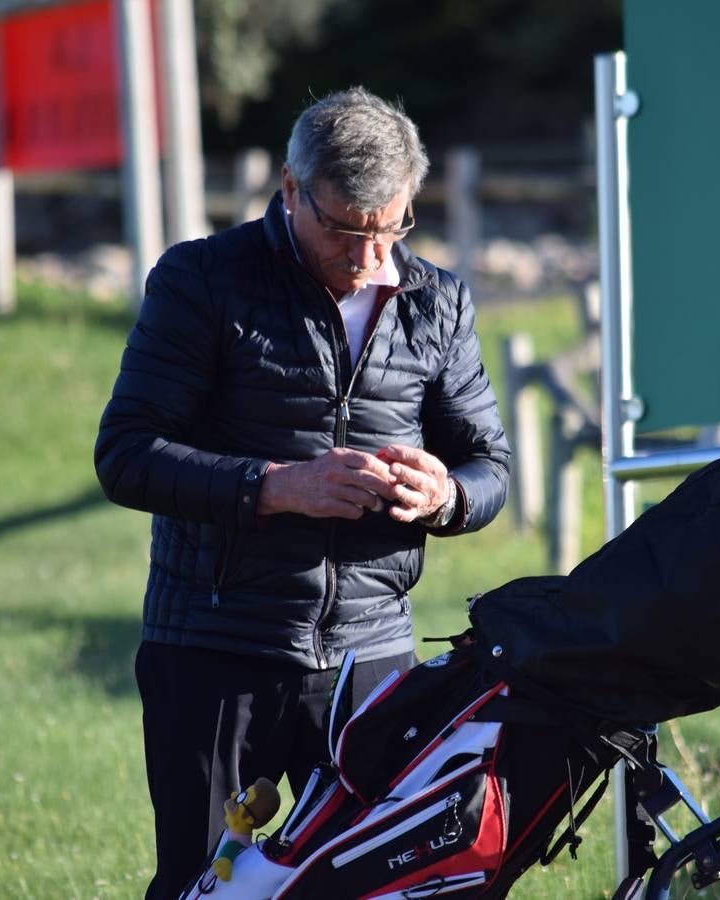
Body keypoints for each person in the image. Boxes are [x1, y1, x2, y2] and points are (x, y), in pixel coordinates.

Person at [94, 86, 510, 899]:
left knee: (373, 885)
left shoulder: (440, 300)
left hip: (372, 664)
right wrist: (279, 488)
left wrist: (447, 497)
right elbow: (127, 455)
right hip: (215, 651)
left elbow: (489, 466)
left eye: (388, 229)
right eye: (345, 228)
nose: (366, 255)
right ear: (289, 189)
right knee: (202, 887)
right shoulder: (199, 280)